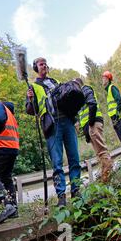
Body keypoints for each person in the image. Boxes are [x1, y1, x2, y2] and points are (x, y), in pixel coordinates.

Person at [26, 57, 81, 206]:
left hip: (67, 122)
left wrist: (75, 120)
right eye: (40, 64)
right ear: (36, 68)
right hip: (52, 126)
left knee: (74, 158)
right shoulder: (33, 87)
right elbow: (31, 110)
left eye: (45, 63)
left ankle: (76, 191)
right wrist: (31, 100)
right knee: (57, 162)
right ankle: (61, 196)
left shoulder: (55, 82)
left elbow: (67, 100)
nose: (44, 65)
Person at [75, 78, 113, 183]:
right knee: (99, 153)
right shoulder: (79, 96)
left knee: (102, 152)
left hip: (93, 123)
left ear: (78, 84)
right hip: (90, 126)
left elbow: (92, 104)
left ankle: (108, 178)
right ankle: (106, 178)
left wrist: (90, 123)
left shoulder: (85, 89)